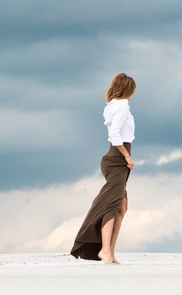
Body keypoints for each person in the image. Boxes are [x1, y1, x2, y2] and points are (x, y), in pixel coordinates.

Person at [70, 73, 136, 264]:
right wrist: (127, 156)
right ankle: (105, 250)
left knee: (121, 206)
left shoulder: (110, 106)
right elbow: (115, 135)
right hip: (117, 159)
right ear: (128, 90)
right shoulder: (122, 106)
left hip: (113, 160)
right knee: (113, 205)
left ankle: (110, 252)